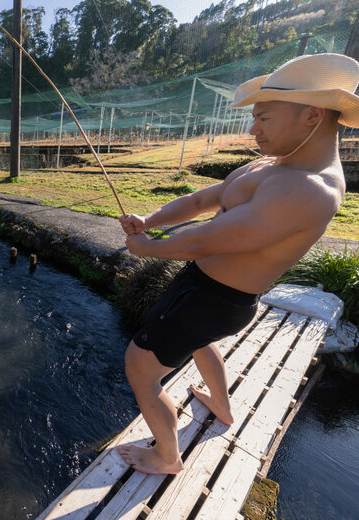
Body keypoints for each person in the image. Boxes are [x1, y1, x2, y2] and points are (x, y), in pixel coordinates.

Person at [117, 53, 359, 475]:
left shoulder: (311, 188)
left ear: (312, 115)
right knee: (197, 342)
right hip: (201, 289)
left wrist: (146, 248)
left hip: (217, 300)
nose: (253, 130)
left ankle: (167, 457)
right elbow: (201, 202)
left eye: (263, 118)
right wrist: (150, 221)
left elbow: (208, 240)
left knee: (140, 368)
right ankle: (222, 407)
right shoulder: (274, 163)